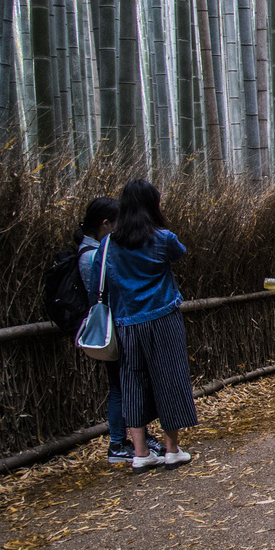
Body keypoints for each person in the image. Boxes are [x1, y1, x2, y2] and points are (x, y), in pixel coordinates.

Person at [105, 180, 196, 473]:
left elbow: (100, 280)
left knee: (131, 382)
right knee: (169, 376)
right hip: (162, 317)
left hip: (127, 323)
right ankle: (171, 449)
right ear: (151, 205)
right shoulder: (162, 238)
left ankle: (141, 453)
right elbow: (180, 253)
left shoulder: (109, 243)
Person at [76, 198, 166, 466]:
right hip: (113, 329)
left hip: (122, 324)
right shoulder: (94, 254)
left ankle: (138, 436)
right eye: (118, 224)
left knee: (129, 383)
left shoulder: (98, 250)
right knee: (119, 386)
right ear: (106, 224)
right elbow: (102, 293)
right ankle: (118, 442)